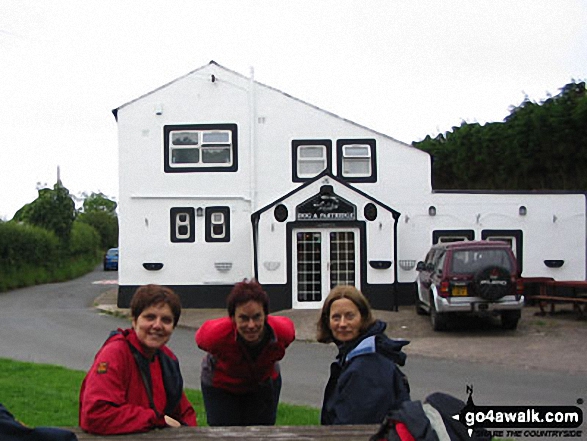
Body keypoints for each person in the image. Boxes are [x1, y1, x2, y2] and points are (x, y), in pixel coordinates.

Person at [79, 284, 197, 435]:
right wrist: (157, 420)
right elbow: (95, 415)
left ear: (173, 327)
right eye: (150, 317)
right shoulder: (115, 354)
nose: (157, 325)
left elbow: (185, 413)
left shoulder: (167, 359)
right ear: (134, 320)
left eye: (166, 320)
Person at [195, 279, 295, 426]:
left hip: (263, 381)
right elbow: (200, 340)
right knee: (224, 435)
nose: (251, 325)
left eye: (257, 317)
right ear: (232, 318)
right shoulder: (214, 336)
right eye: (243, 318)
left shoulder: (283, 332)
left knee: (261, 433)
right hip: (221, 385)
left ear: (266, 316)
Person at [317, 285, 410, 425]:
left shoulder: (366, 367)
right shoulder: (356, 355)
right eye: (336, 317)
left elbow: (351, 430)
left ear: (363, 317)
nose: (342, 324)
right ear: (327, 321)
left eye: (350, 316)